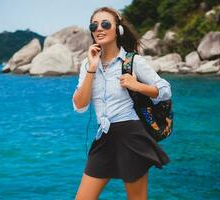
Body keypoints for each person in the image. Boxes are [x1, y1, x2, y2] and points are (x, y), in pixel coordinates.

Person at [72, 7, 172, 200]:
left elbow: (165, 90)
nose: (99, 28)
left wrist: (137, 85)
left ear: (118, 30)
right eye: (94, 25)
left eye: (105, 24)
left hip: (131, 136)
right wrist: (92, 68)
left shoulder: (133, 61)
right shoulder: (87, 65)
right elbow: (80, 106)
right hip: (104, 137)